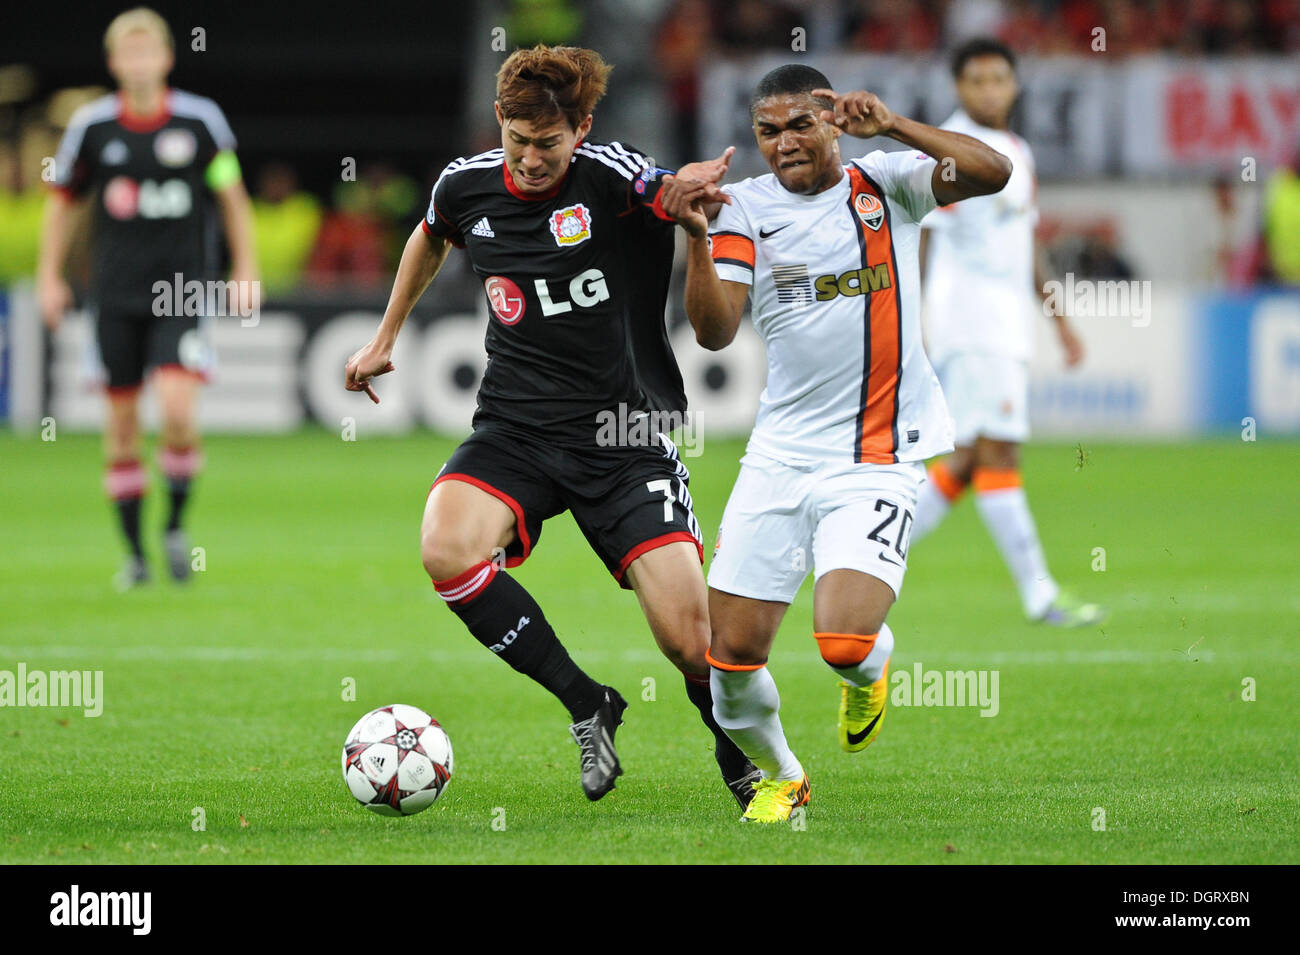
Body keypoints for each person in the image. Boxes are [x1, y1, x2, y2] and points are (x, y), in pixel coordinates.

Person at [344, 44, 759, 805]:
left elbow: (657, 189)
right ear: (499, 120)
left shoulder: (609, 171)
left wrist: (683, 194)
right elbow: (431, 234)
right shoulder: (465, 185)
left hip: (623, 438)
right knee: (446, 548)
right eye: (518, 141)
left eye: (549, 143)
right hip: (517, 428)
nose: (532, 160)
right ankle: (586, 700)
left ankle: (740, 756)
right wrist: (384, 337)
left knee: (689, 642)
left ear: (581, 128)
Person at [665, 64, 1011, 822]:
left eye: (799, 125)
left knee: (844, 642)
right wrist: (694, 236)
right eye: (767, 131)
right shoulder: (742, 208)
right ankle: (786, 776)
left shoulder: (885, 182)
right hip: (780, 457)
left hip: (877, 455)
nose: (783, 143)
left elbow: (995, 171)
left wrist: (892, 124)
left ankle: (870, 669)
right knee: (728, 660)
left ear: (831, 121)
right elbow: (716, 331)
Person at [37, 7, 258, 589]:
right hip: (113, 294)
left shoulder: (200, 122)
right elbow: (61, 202)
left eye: (147, 52)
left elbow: (231, 196)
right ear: (113, 64)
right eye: (126, 54)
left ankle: (175, 528)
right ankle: (135, 555)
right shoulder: (92, 127)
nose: (137, 64)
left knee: (180, 414)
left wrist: (246, 269)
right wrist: (49, 277)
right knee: (122, 426)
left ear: (165, 58)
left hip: (180, 289)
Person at [913, 38, 1105, 627]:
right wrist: (912, 320)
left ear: (1016, 85)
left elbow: (1025, 246)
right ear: (959, 87)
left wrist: (1059, 320)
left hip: (1003, 326)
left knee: (969, 461)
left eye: (1000, 78)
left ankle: (861, 556)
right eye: (978, 80)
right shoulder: (951, 151)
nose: (990, 89)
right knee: (996, 453)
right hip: (969, 325)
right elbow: (922, 231)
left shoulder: (1017, 150)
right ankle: (1039, 594)